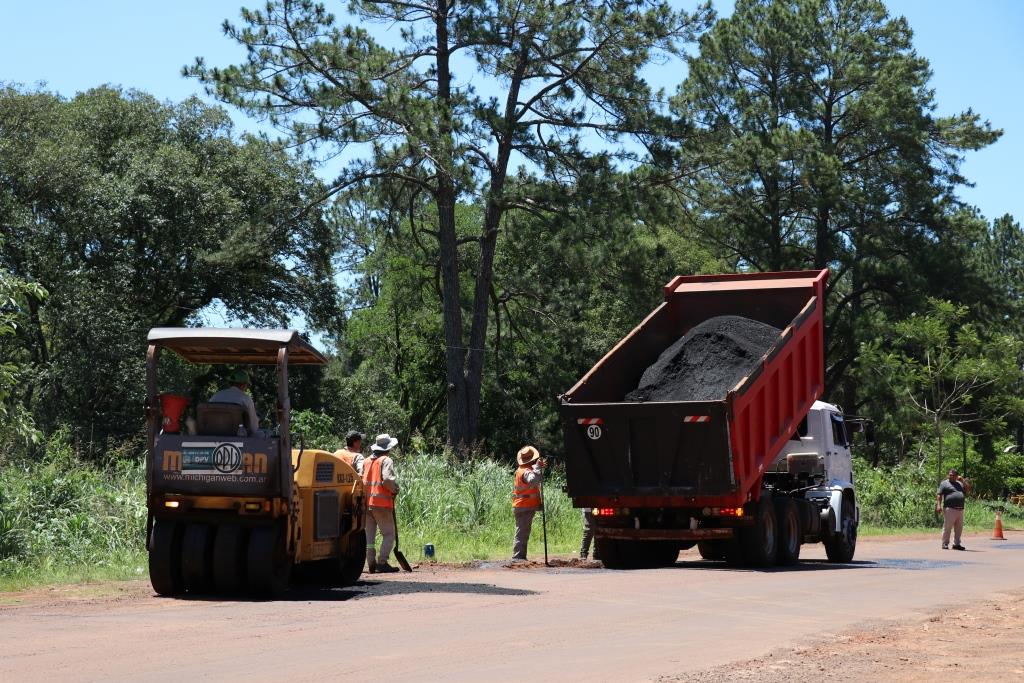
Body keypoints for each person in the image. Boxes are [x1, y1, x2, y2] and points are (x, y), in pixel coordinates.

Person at [362, 433, 400, 573]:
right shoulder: (386, 460)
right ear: (388, 448)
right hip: (381, 504)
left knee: (369, 538)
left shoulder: (366, 461)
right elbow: (387, 480)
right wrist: (395, 489)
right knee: (389, 534)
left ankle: (370, 563)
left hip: (366, 504)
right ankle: (382, 562)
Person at [511, 445, 545, 561]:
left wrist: (538, 468)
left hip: (523, 506)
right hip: (524, 506)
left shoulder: (523, 470)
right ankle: (518, 557)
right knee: (522, 532)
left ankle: (520, 557)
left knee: (523, 531)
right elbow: (533, 480)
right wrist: (537, 468)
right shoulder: (526, 471)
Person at [208, 368, 261, 435]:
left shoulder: (215, 396)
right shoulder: (246, 399)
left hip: (214, 434)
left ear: (229, 383)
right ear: (244, 385)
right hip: (238, 437)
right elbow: (253, 427)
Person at [936, 468, 970, 550]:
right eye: (950, 474)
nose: (950, 476)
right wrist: (938, 505)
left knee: (959, 528)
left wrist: (963, 480)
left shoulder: (960, 484)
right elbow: (939, 495)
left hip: (960, 509)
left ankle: (956, 544)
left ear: (956, 476)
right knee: (947, 527)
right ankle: (945, 543)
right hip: (950, 509)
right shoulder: (944, 483)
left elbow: (968, 489)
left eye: (952, 475)